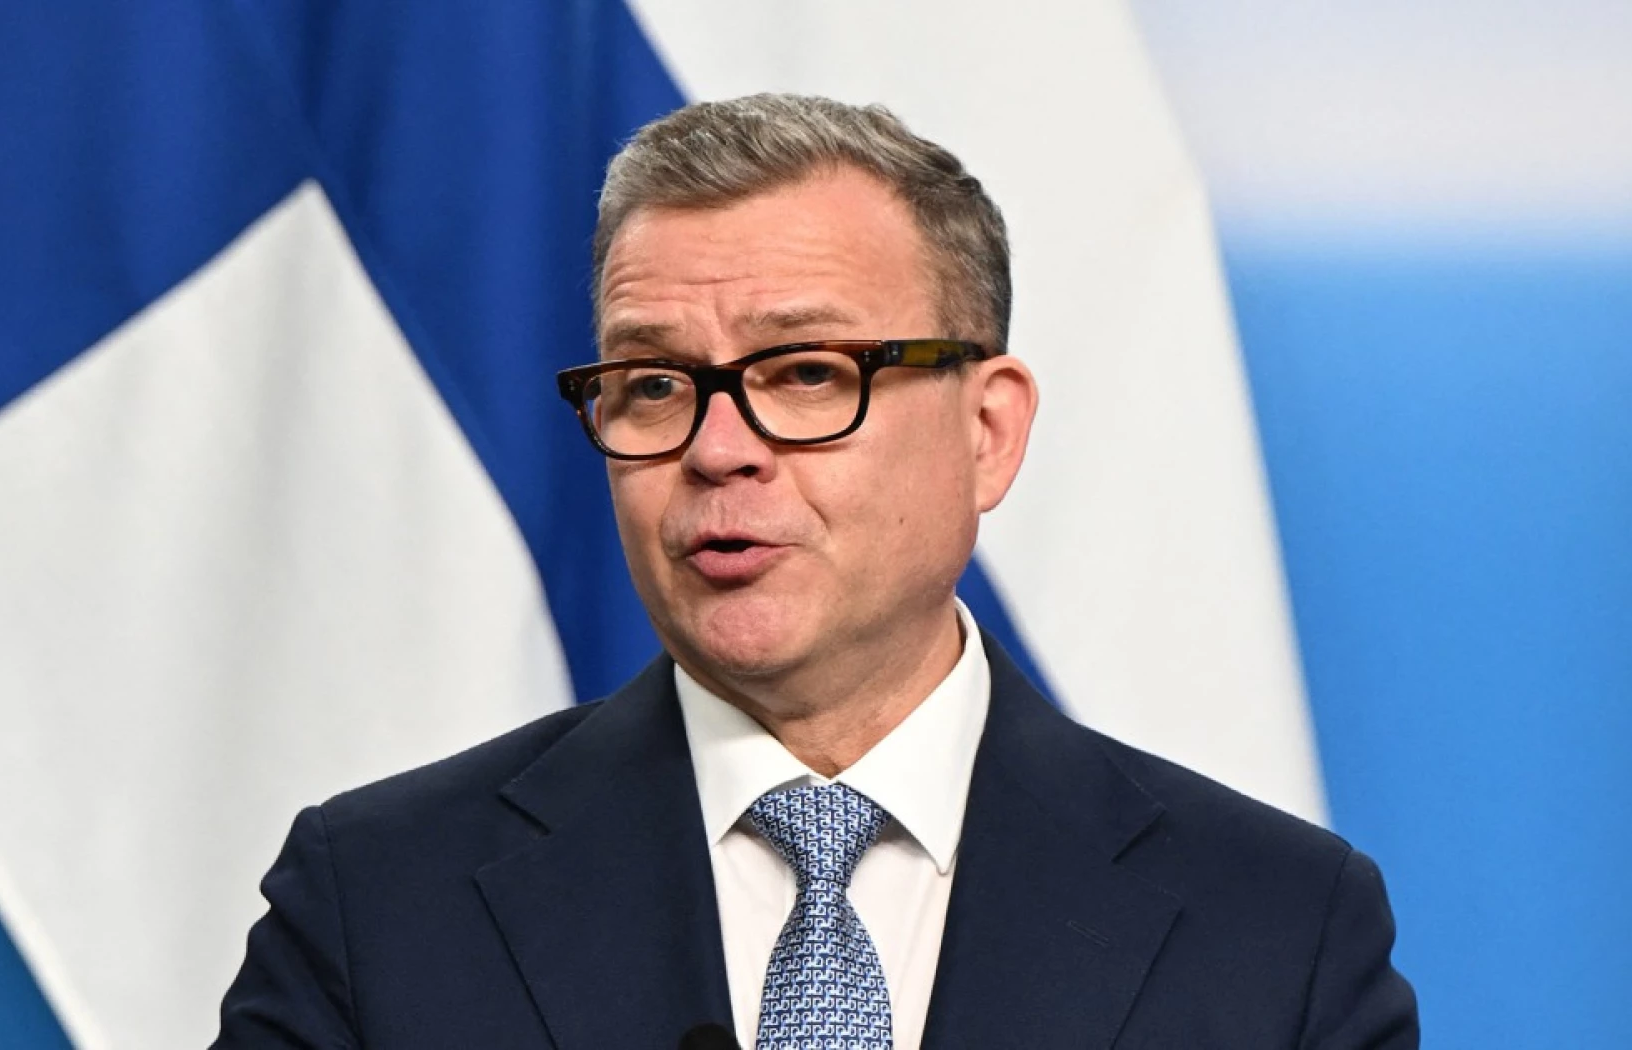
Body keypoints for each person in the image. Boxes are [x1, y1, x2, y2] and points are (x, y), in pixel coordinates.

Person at [213, 93, 1419, 1049]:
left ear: (986, 431)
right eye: (653, 384)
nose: (715, 449)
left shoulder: (1273, 927)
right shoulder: (379, 903)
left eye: (803, 374)